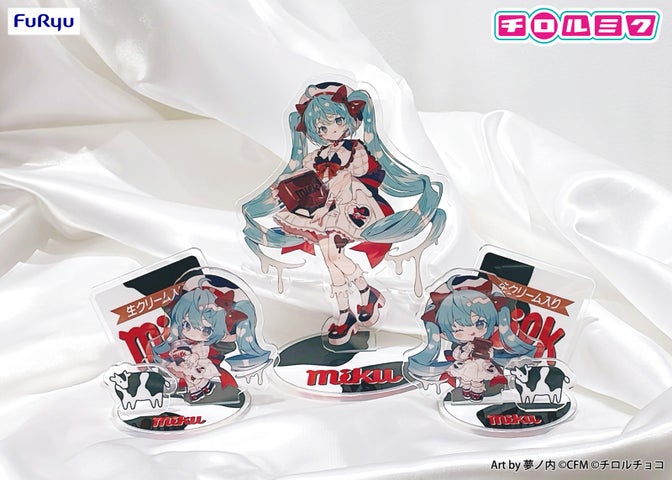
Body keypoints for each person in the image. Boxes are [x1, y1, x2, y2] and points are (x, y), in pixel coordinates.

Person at [243, 82, 445, 345]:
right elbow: (304, 177)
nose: (331, 131)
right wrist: (283, 188)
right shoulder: (315, 156)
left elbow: (360, 171)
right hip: (321, 209)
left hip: (351, 205)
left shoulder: (355, 148)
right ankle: (352, 305)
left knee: (332, 255)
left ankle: (357, 301)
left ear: (349, 119)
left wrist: (337, 174)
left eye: (337, 121)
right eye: (322, 128)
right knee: (330, 257)